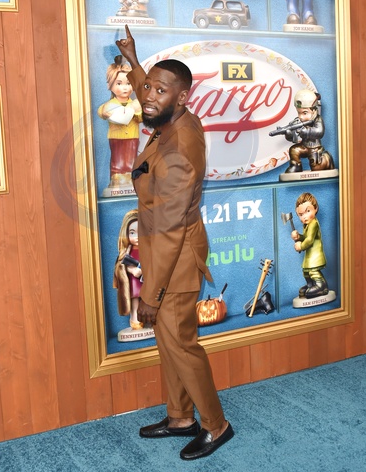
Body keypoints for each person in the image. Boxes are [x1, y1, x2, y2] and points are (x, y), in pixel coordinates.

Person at [115, 25, 234, 461]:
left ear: (182, 98)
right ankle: (181, 417)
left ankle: (216, 426)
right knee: (166, 341)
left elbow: (169, 230)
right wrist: (134, 61)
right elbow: (153, 93)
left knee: (181, 343)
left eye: (159, 91)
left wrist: (150, 293)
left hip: (176, 257)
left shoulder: (179, 151)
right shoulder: (171, 112)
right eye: (148, 87)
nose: (148, 96)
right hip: (163, 247)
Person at [97, 56, 142, 193]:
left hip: (132, 138)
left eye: (128, 83)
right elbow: (103, 112)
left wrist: (137, 110)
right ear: (110, 85)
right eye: (119, 83)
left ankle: (131, 182)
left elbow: (141, 118)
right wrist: (104, 112)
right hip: (116, 139)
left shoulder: (135, 104)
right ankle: (116, 182)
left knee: (131, 160)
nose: (125, 87)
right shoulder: (110, 105)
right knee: (117, 161)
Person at [284, 89, 334, 174]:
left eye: (305, 113)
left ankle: (326, 159)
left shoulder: (317, 119)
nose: (301, 117)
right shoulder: (298, 121)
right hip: (303, 146)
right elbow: (292, 136)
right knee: (294, 150)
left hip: (315, 148)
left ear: (314, 111)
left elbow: (319, 131)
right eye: (299, 113)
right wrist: (289, 134)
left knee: (316, 168)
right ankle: (296, 166)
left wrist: (306, 131)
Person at [291, 192, 329, 298]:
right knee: (306, 271)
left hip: (315, 255)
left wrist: (300, 246)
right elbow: (305, 237)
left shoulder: (313, 223)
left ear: (315, 208)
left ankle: (322, 286)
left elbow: (309, 240)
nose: (305, 216)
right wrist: (298, 237)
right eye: (301, 214)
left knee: (313, 271)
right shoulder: (307, 225)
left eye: (308, 211)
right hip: (310, 255)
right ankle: (310, 285)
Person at [113, 209, 145, 330]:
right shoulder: (127, 251)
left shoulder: (148, 249)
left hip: (146, 278)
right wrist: (132, 270)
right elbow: (121, 264)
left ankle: (147, 317)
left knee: (147, 298)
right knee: (135, 299)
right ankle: (135, 318)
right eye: (132, 233)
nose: (137, 237)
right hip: (134, 280)